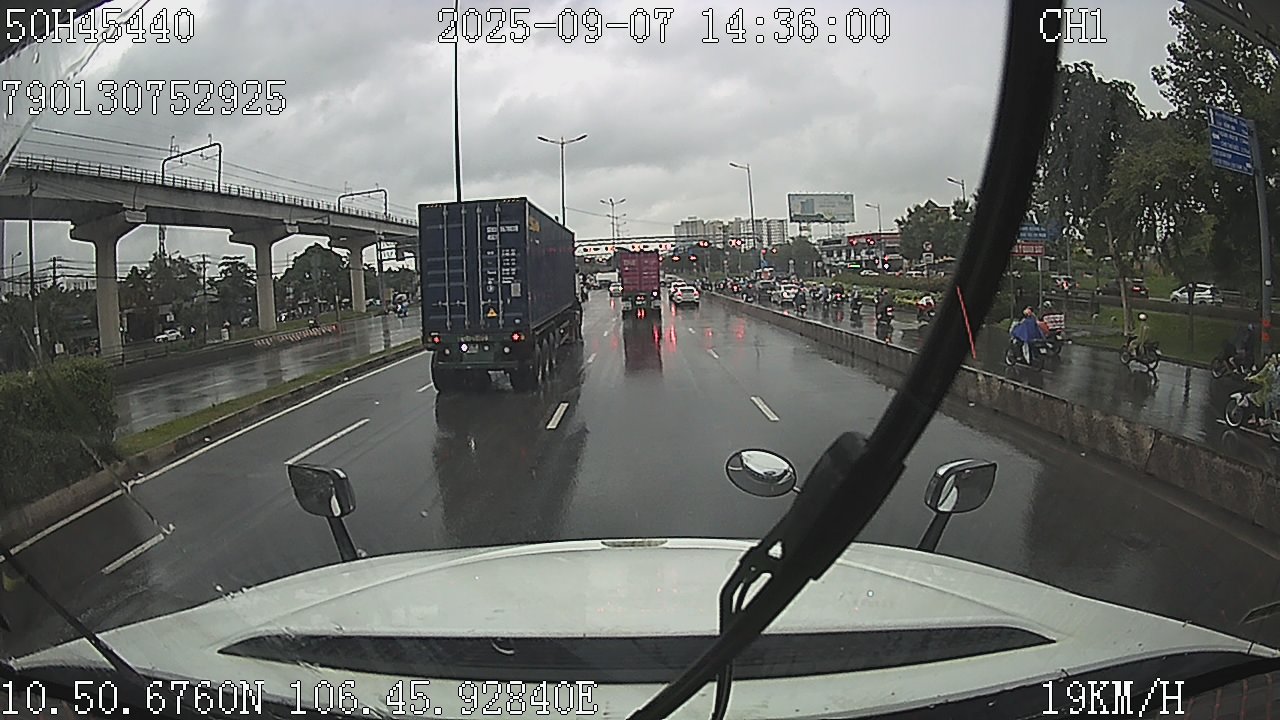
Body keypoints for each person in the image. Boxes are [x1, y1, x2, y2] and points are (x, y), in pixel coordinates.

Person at [1244, 351, 1280, 426]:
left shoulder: (1273, 369)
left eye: (1272, 358)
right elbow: (1261, 375)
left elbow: (1263, 377)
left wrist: (1251, 379)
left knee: (1258, 398)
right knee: (1258, 398)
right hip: (1271, 390)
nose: (1270, 359)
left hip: (1272, 391)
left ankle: (1266, 418)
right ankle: (1257, 417)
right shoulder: (1272, 367)